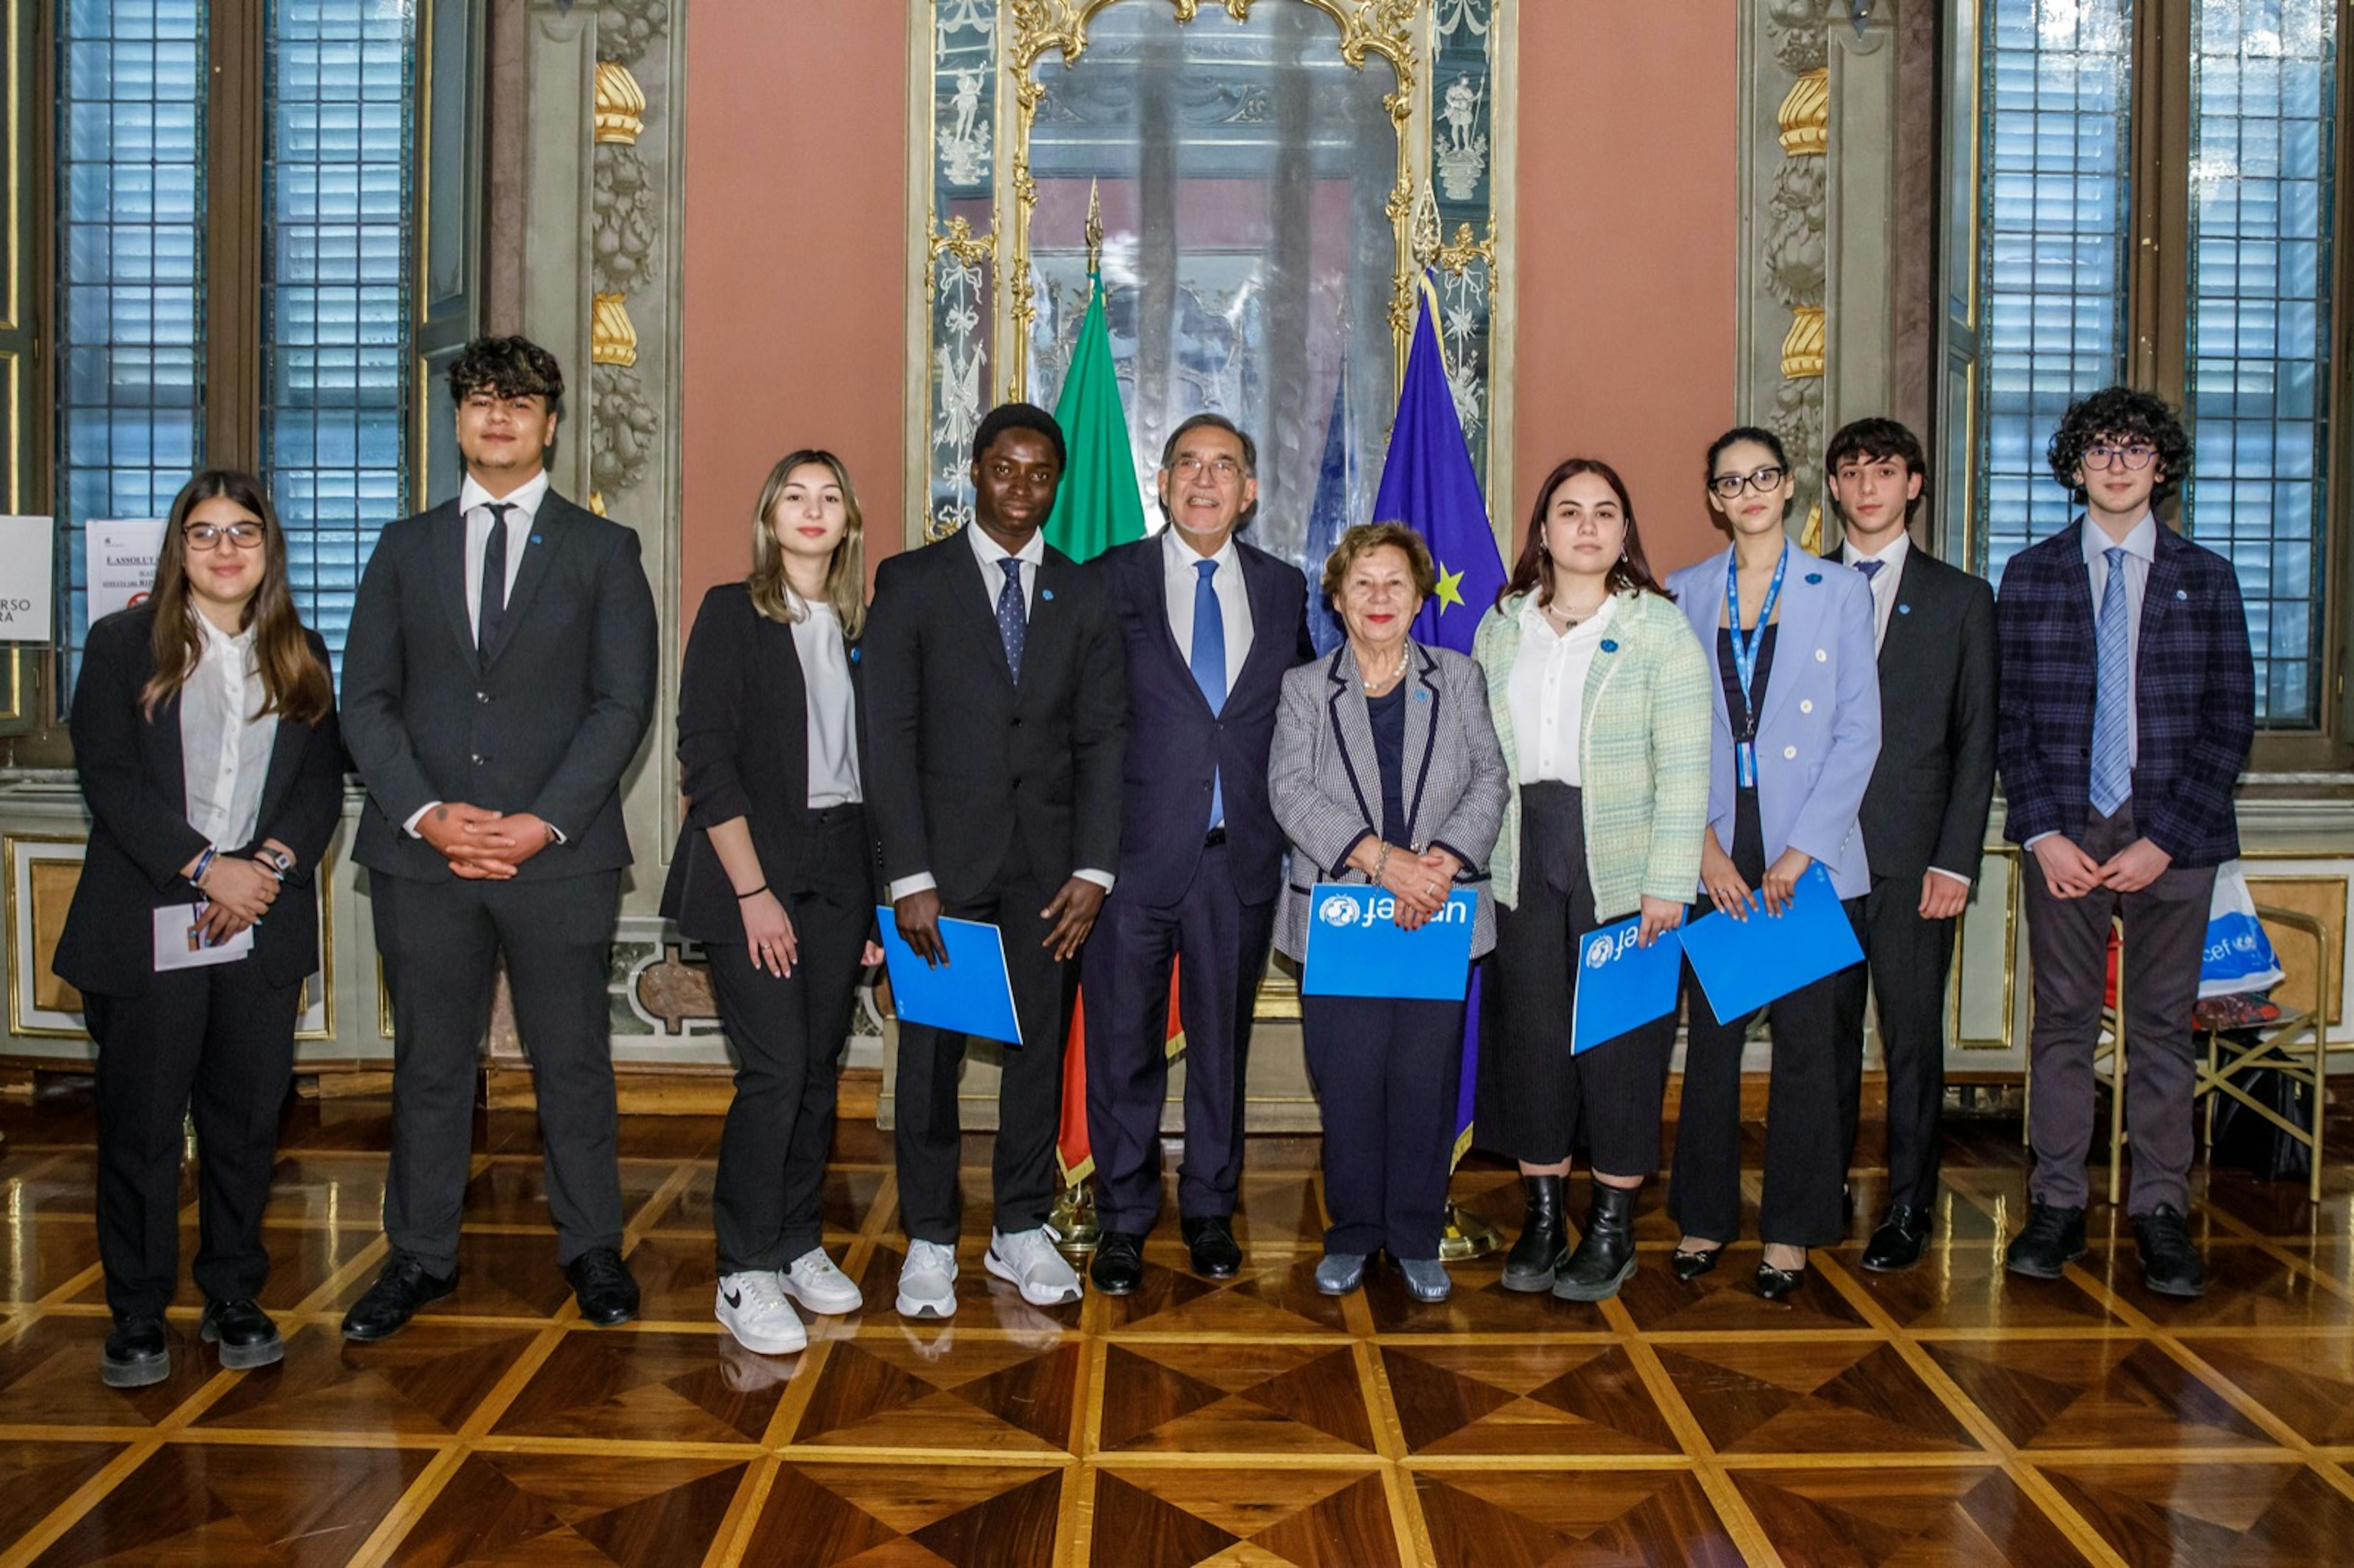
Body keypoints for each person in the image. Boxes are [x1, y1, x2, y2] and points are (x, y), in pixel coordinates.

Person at [338, 336, 659, 1340]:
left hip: (558, 857)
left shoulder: (606, 552)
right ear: (460, 420)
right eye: (481, 401)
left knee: (573, 1061)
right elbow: (367, 701)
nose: (500, 418)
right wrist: (429, 816)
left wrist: (539, 822)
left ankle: (592, 1250)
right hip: (422, 858)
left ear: (551, 424)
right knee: (432, 1064)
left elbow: (623, 705)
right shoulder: (404, 549)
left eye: (520, 403)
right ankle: (420, 1257)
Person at [56, 470, 344, 1388]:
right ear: (180, 549)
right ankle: (137, 1311)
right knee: (141, 1128)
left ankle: (233, 1291)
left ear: (269, 551)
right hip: (148, 921)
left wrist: (262, 870)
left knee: (245, 1123)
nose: (226, 550)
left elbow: (317, 787)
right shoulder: (120, 645)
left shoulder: (301, 652)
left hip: (259, 922)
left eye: (244, 533)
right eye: (206, 533)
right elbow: (109, 777)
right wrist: (201, 865)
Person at [864, 402, 1127, 1318]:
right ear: (973, 473)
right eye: (1004, 468)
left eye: (1040, 473)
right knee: (931, 1058)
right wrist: (908, 877)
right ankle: (931, 1238)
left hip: (1050, 877)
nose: (1023, 488)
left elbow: (1103, 740)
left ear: (1058, 483)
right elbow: (886, 737)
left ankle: (1021, 1228)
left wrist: (1095, 870)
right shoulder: (910, 582)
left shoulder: (1085, 594)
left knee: (1037, 1052)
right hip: (940, 874)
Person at [1996, 386, 2253, 1299]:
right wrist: (2042, 829)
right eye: (2099, 449)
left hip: (2171, 834)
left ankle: (2160, 1212)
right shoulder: (2029, 575)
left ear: (2160, 467)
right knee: (2063, 1023)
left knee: (2158, 1030)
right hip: (2065, 829)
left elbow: (2231, 726)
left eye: (2134, 450)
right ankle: (2057, 1202)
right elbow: (2011, 718)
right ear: (2074, 468)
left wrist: (2165, 841)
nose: (2116, 463)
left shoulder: (2208, 576)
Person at [1470, 459, 1712, 1302]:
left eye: (1604, 512)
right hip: (1521, 857)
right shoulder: (1502, 626)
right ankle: (1545, 1216)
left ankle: (1610, 1226)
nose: (1585, 526)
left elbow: (1685, 766)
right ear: (1542, 530)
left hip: (1625, 867)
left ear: (1623, 532)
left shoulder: (1659, 629)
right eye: (1568, 511)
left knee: (1620, 1046)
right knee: (1533, 1039)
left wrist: (1668, 882)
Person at [1083, 414, 1313, 1294]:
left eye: (1225, 466)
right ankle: (1124, 1218)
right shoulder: (1112, 580)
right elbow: (1084, 722)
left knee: (1224, 1046)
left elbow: (1299, 722)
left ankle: (1212, 1208)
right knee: (1123, 1049)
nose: (1206, 480)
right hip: (1132, 864)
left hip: (1239, 861)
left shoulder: (1287, 589)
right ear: (1163, 481)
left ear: (1249, 492)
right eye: (1189, 464)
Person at [664, 450, 887, 1355]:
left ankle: (798, 1242)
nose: (812, 508)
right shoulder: (732, 612)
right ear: (770, 515)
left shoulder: (864, 624)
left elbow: (880, 776)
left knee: (820, 1066)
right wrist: (754, 893)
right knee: (775, 1069)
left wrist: (874, 905)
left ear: (848, 523)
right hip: (747, 866)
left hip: (841, 869)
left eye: (830, 495)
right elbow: (705, 762)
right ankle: (743, 1269)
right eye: (794, 494)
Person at [1664, 428, 1879, 1299]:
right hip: (1714, 848)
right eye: (1729, 481)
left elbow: (1859, 732)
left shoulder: (1837, 591)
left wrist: (1798, 855)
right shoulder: (1682, 593)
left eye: (1762, 476)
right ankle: (1704, 1219)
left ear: (1787, 488)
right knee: (1711, 1049)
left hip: (1810, 859)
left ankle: (1789, 1231)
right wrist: (1704, 849)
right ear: (1713, 498)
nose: (1747, 491)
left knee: (1804, 1052)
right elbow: (1669, 738)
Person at [1269, 522, 1507, 1304]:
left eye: (1395, 584)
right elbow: (1290, 792)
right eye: (1362, 583)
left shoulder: (1461, 678)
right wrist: (1382, 861)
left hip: (1439, 911)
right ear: (1336, 598)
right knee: (1347, 1079)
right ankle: (1353, 1232)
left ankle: (1413, 1232)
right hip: (1343, 918)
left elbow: (1489, 782)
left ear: (1418, 597)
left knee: (1422, 1080)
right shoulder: (1306, 687)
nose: (1379, 598)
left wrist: (1439, 863)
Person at [1821, 418, 1997, 1272]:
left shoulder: (1963, 599)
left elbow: (1978, 742)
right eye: (1850, 471)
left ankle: (1908, 1207)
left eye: (1884, 471)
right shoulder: (1805, 589)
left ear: (1914, 485)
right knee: (1823, 1032)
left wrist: (1956, 859)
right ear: (1832, 487)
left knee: (1913, 1038)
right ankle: (1819, 1191)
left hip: (1915, 858)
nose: (1867, 486)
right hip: (1815, 856)